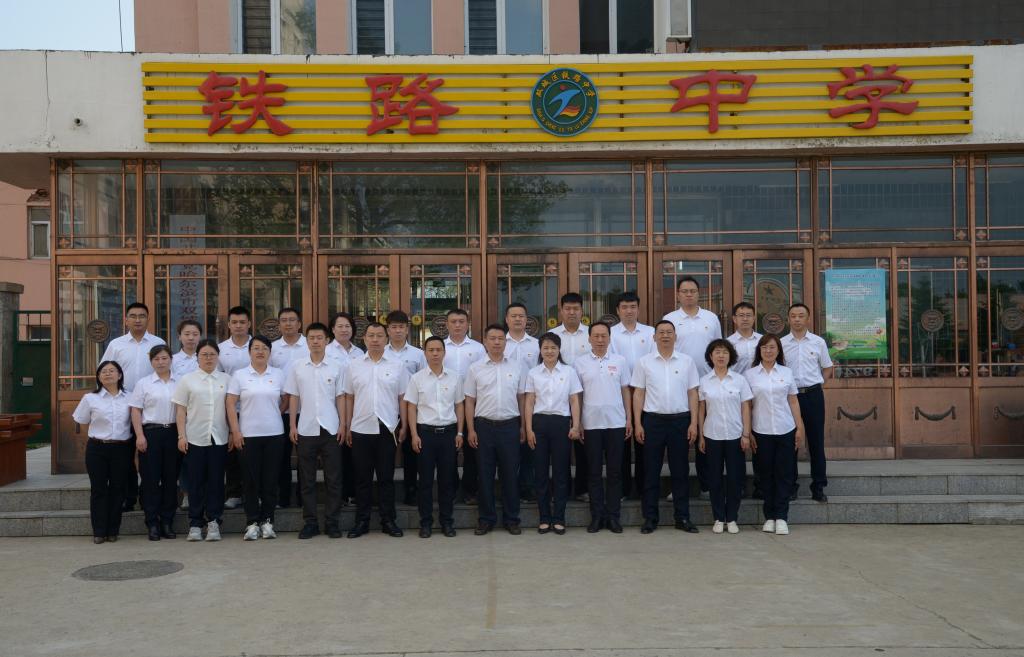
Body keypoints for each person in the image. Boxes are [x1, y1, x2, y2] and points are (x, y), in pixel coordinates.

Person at [631, 320, 700, 534]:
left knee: (680, 471)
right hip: (653, 421)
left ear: (675, 336)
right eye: (661, 332)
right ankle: (650, 518)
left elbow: (692, 393)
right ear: (654, 337)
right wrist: (637, 423)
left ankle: (683, 517)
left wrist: (694, 423)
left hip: (680, 421)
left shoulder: (687, 362)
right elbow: (638, 393)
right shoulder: (644, 362)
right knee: (651, 471)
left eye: (669, 332)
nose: (665, 336)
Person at [343, 322, 410, 538]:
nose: (375, 339)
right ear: (364, 339)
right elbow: (349, 397)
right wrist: (347, 426)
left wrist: (404, 425)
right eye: (371, 335)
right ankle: (361, 521)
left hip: (386, 429)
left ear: (386, 339)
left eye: (379, 335)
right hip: (360, 429)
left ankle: (388, 520)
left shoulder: (398, 366)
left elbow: (403, 398)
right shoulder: (353, 366)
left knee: (386, 478)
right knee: (362, 478)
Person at [100, 302, 166, 512]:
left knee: (150, 454)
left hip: (152, 406)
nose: (138, 320)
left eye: (142, 316)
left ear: (148, 319)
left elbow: (166, 370)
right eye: (133, 316)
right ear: (126, 319)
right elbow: (104, 371)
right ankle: (128, 496)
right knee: (125, 453)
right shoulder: (116, 345)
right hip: (123, 404)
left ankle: (148, 495)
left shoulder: (158, 343)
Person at [286, 322, 347, 539]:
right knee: (307, 479)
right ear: (307, 341)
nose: (315, 341)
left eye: (319, 338)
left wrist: (343, 424)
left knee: (334, 478)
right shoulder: (297, 366)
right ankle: (310, 522)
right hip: (306, 428)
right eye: (311, 338)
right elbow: (294, 396)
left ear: (327, 340)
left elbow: (341, 397)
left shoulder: (337, 366)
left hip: (331, 428)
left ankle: (332, 522)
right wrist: (292, 425)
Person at [663, 277, 722, 499]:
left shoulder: (711, 318)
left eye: (693, 291)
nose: (689, 294)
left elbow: (719, 348)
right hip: (678, 386)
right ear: (678, 294)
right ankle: (679, 487)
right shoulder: (670, 319)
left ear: (699, 293)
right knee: (680, 440)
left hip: (707, 384)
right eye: (685, 291)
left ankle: (707, 485)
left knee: (706, 436)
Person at [464, 324, 526, 536]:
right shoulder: (475, 368)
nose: (497, 342)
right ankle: (486, 519)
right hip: (484, 427)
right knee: (485, 475)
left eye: (501, 338)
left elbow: (522, 398)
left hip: (510, 426)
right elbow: (469, 401)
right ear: (485, 341)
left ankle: (512, 519)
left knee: (510, 475)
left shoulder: (517, 367)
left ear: (505, 342)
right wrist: (470, 429)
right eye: (492, 338)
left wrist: (523, 426)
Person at [226, 336, 286, 541]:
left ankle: (268, 521)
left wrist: (275, 413)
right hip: (248, 435)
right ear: (249, 352)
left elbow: (286, 399)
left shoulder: (278, 374)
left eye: (264, 348)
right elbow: (230, 403)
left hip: (274, 434)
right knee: (250, 481)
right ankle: (251, 522)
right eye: (256, 348)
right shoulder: (240, 375)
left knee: (270, 480)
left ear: (270, 352)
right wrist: (235, 431)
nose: (260, 352)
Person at [745, 334, 805, 536]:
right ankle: (769, 517)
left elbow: (793, 401)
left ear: (778, 350)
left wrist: (799, 428)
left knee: (784, 475)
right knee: (765, 475)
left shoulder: (787, 372)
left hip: (785, 429)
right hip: (760, 431)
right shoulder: (750, 375)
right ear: (759, 351)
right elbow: (747, 406)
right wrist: (748, 432)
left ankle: (781, 517)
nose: (768, 351)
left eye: (772, 347)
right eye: (764, 347)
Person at [173, 339, 231, 542]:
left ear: (218, 357)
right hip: (194, 438)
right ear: (197, 357)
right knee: (195, 482)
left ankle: (214, 522)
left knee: (216, 481)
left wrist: (232, 433)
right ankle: (195, 524)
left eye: (212, 354)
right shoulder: (187, 380)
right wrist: (181, 435)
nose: (208, 358)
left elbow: (231, 409)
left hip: (219, 438)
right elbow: (180, 410)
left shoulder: (226, 379)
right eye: (204, 354)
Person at [406, 336, 465, 538]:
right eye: (431, 350)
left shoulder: (454, 377)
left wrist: (460, 432)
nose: (435, 353)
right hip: (425, 434)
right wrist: (414, 434)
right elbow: (411, 407)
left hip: (448, 434)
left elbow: (459, 405)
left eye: (438, 350)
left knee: (447, 481)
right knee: (425, 481)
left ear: (444, 352)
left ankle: (447, 522)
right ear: (425, 353)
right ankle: (426, 523)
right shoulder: (417, 378)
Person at [576, 321, 632, 533]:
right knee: (594, 472)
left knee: (615, 472)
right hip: (591, 424)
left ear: (610, 338)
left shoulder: (620, 361)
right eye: (596, 336)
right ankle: (597, 516)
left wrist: (629, 419)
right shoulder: (580, 363)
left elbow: (625, 391)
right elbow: (577, 395)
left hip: (616, 423)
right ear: (589, 339)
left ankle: (613, 517)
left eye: (604, 336)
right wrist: (578, 422)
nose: (600, 340)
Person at [525, 333, 582, 535]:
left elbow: (574, 400)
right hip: (539, 424)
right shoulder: (533, 373)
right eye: (545, 348)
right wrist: (529, 429)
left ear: (559, 350)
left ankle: (558, 517)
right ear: (540, 350)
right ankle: (544, 517)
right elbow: (529, 402)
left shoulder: (569, 372)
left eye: (553, 348)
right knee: (540, 472)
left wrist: (576, 425)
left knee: (560, 472)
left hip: (561, 424)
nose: (549, 351)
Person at [72, 361, 132, 544]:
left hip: (122, 448)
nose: (107, 374)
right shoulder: (90, 398)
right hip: (97, 449)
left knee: (117, 489)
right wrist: (94, 438)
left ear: (119, 375)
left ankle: (113, 530)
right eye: (103, 371)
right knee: (98, 489)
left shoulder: (130, 397)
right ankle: (99, 531)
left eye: (112, 371)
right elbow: (82, 421)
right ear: (98, 376)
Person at [697, 339, 753, 535]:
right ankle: (719, 517)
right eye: (717, 352)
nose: (721, 356)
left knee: (735, 479)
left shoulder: (739, 380)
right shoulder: (704, 381)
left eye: (725, 352)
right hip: (712, 435)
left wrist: (746, 434)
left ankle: (732, 518)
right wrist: (701, 436)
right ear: (710, 356)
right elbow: (701, 410)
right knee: (714, 478)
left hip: (735, 435)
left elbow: (745, 408)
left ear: (731, 356)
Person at [781, 303, 833, 503]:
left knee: (816, 442)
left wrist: (818, 384)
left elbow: (827, 367)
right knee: (789, 443)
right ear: (788, 319)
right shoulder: (781, 343)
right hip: (789, 397)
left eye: (801, 315)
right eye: (793, 316)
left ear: (808, 319)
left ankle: (818, 486)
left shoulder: (818, 342)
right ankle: (790, 486)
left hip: (813, 395)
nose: (797, 319)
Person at [129, 345, 180, 541]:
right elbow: (136, 410)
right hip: (151, 433)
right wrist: (139, 436)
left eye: (164, 358)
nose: (161, 362)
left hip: (174, 433)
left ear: (171, 360)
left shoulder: (180, 381)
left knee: (170, 479)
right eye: (156, 359)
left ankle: (167, 521)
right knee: (150, 479)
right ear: (151, 362)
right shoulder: (143, 384)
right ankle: (152, 522)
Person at [610, 291, 653, 500]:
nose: (629, 311)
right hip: (621, 395)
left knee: (645, 444)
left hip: (647, 395)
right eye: (625, 307)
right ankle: (624, 490)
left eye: (633, 307)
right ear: (618, 310)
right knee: (623, 445)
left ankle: (644, 489)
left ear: (638, 309)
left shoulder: (650, 333)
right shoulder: (610, 334)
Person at [443, 308, 486, 504]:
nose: (457, 325)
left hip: (471, 406)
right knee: (448, 452)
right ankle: (450, 491)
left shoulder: (478, 349)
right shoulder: (440, 347)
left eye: (461, 321)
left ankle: (470, 491)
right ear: (447, 324)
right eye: (453, 321)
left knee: (471, 451)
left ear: (468, 324)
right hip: (445, 406)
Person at [385, 309, 427, 506]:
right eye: (394, 327)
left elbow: (425, 380)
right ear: (388, 330)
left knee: (411, 452)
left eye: (401, 327)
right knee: (386, 453)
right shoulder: (381, 352)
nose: (398, 331)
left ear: (407, 329)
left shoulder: (418, 354)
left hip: (412, 409)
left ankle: (411, 490)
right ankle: (387, 494)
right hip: (387, 409)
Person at [552, 292, 591, 501]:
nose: (572, 312)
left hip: (587, 396)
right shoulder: (552, 335)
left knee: (584, 444)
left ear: (582, 311)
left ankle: (583, 489)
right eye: (567, 309)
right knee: (561, 447)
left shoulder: (591, 335)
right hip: (558, 398)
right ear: (561, 311)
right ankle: (563, 490)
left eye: (576, 308)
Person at [270, 307, 309, 509]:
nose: (288, 323)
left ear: (299, 324)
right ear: (279, 325)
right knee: (281, 457)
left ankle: (304, 499)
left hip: (307, 411)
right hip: (280, 411)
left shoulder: (310, 345)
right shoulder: (272, 348)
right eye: (284, 320)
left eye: (292, 320)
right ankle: (282, 498)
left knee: (305, 458)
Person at [217, 306, 253, 510]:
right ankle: (234, 493)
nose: (238, 326)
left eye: (242, 322)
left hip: (253, 408)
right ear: (229, 325)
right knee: (231, 452)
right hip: (230, 408)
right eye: (235, 322)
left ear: (249, 324)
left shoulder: (258, 346)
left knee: (251, 453)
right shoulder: (221, 349)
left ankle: (251, 492)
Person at [326, 311, 364, 504]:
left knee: (354, 454)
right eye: (339, 326)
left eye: (347, 326)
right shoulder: (326, 351)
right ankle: (339, 496)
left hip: (357, 408)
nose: (344, 330)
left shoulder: (360, 353)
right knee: (337, 455)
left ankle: (352, 493)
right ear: (332, 329)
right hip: (333, 408)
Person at [504, 302, 540, 504]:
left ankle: (527, 487)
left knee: (529, 447)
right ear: (507, 319)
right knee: (508, 450)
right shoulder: (499, 342)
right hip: (507, 403)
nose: (517, 319)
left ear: (527, 320)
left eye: (521, 316)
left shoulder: (536, 345)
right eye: (513, 316)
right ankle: (508, 489)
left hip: (531, 401)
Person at [727, 301, 763, 498]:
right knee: (738, 441)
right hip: (737, 398)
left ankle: (760, 485)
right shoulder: (727, 343)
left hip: (762, 395)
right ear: (734, 319)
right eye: (741, 315)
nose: (745, 319)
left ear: (754, 317)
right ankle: (738, 485)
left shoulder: (764, 341)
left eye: (748, 315)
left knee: (760, 440)